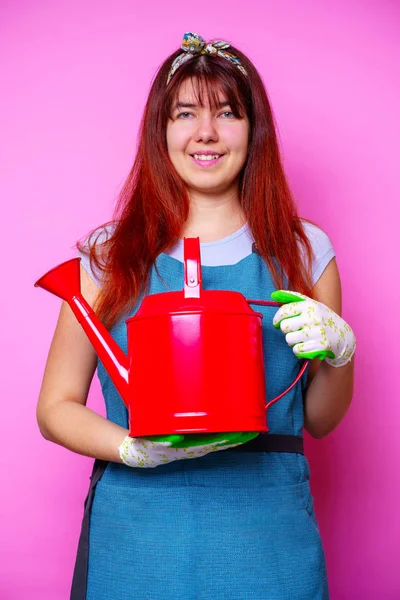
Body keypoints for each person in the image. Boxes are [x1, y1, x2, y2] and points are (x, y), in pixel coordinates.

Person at [36, 32, 356, 600]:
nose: (205, 133)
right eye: (185, 113)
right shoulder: (106, 258)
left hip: (269, 538)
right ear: (160, 131)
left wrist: (339, 352)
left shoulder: (305, 251)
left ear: (253, 130)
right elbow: (55, 407)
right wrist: (131, 448)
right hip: (136, 538)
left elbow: (321, 421)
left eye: (227, 113)